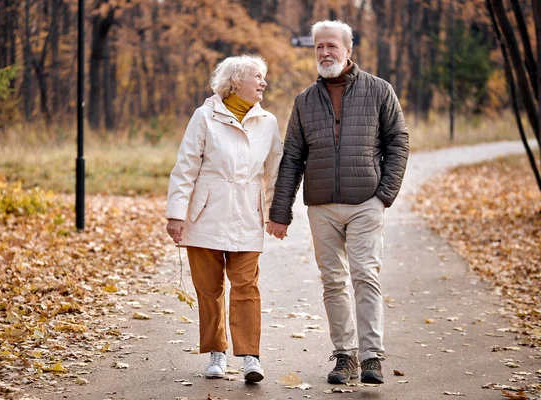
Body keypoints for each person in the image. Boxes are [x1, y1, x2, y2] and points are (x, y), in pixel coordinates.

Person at [267, 20, 409, 385]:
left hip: (366, 202)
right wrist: (280, 212)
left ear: (348, 50)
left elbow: (398, 142)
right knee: (333, 282)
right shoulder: (304, 100)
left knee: (365, 276)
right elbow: (293, 158)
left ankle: (372, 357)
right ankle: (344, 355)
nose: (325, 53)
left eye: (332, 46)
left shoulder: (379, 90)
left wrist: (384, 195)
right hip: (322, 207)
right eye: (319, 47)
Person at [165, 54, 283, 383]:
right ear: (235, 82)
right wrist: (176, 214)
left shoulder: (268, 122)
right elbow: (185, 166)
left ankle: (250, 357)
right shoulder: (204, 116)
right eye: (257, 76)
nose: (264, 83)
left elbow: (276, 173)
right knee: (208, 288)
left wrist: (278, 214)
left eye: (264, 77)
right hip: (204, 214)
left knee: (247, 286)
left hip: (247, 213)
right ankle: (217, 352)